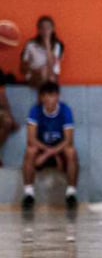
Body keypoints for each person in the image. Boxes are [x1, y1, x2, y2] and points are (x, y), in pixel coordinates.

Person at [22, 82, 77, 210]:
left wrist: (52, 154)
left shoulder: (65, 110)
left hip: (59, 149)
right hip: (42, 148)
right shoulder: (35, 111)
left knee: (71, 152)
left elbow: (68, 140)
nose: (49, 99)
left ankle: (71, 194)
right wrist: (47, 153)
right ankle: (29, 194)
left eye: (52, 95)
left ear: (58, 97)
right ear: (41, 98)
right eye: (45, 96)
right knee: (30, 151)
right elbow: (31, 139)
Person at [21, 16, 64, 90]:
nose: (45, 30)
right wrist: (33, 70)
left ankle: (45, 94)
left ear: (53, 29)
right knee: (43, 72)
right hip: (35, 75)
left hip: (51, 76)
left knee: (49, 76)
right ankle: (45, 94)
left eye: (48, 28)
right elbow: (23, 67)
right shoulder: (31, 45)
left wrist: (47, 44)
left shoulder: (57, 45)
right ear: (38, 30)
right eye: (42, 28)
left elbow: (51, 66)